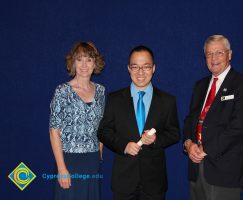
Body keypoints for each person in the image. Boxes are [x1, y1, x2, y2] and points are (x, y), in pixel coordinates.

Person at [98, 45, 180, 200]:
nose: (140, 72)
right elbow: (103, 131)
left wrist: (156, 140)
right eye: (135, 67)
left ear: (154, 68)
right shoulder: (114, 99)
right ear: (128, 69)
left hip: (154, 182)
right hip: (123, 181)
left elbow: (174, 133)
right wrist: (124, 145)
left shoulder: (167, 101)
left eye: (146, 67)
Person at [183, 35, 243, 200]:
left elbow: (238, 127)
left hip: (224, 171)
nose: (213, 58)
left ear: (229, 54)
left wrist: (205, 149)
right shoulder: (200, 85)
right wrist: (188, 143)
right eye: (209, 54)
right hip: (196, 169)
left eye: (219, 53)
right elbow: (190, 120)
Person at [49, 42, 105, 200]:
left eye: (89, 59)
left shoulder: (101, 91)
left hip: (92, 160)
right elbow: (54, 131)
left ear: (95, 63)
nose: (84, 65)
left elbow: (102, 123)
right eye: (79, 59)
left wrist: (100, 150)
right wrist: (61, 168)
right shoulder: (62, 91)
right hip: (69, 160)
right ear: (73, 62)